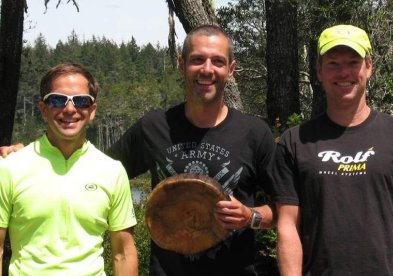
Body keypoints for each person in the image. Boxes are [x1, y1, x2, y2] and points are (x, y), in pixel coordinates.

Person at [106, 24, 278, 275]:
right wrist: (32, 155)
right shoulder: (154, 127)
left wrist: (249, 216)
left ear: (230, 69)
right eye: (197, 60)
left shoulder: (254, 132)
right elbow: (98, 173)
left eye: (217, 61)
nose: (207, 70)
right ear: (181, 64)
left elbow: (286, 209)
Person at [275, 24, 393, 275]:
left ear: (368, 67)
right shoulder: (295, 141)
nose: (344, 72)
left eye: (353, 62)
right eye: (333, 63)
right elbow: (287, 226)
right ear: (319, 70)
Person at [0, 63, 138, 275]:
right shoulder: (10, 168)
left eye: (81, 101)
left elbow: (123, 253)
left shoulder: (112, 171)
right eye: (58, 99)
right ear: (43, 109)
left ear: (92, 111)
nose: (70, 109)